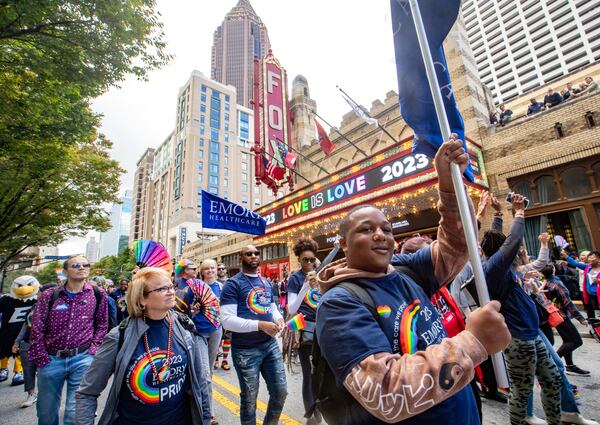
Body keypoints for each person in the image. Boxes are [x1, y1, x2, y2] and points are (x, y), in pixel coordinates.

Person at [315, 136, 511, 424]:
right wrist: (472, 342)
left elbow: (456, 244)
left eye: (387, 229)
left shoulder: (405, 269)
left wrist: (448, 184)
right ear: (344, 244)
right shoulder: (338, 304)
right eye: (366, 230)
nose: (381, 235)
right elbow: (385, 392)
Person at [75, 267, 211, 425]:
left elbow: (200, 382)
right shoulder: (118, 337)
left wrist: (205, 419)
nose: (171, 292)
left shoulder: (184, 326)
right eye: (162, 289)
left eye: (171, 286)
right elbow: (87, 392)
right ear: (142, 299)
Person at [479, 195, 562, 425]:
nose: (513, 250)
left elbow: (497, 240)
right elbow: (512, 240)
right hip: (518, 340)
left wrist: (496, 214)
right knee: (522, 390)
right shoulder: (493, 267)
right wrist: (518, 212)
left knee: (553, 379)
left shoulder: (501, 263)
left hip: (532, 333)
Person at [29, 255, 108, 425]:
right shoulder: (50, 295)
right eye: (76, 265)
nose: (81, 267)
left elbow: (102, 324)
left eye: (85, 264)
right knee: (46, 412)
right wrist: (41, 357)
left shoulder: (97, 294)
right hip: (51, 360)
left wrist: (93, 351)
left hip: (82, 358)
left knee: (75, 411)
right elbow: (37, 328)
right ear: (65, 271)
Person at [220, 245, 288, 425]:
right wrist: (260, 325)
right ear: (240, 258)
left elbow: (271, 306)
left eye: (256, 253)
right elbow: (226, 320)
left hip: (269, 345)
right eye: (248, 253)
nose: (253, 256)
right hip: (245, 351)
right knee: (249, 400)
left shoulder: (265, 282)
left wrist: (279, 318)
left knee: (280, 392)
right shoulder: (232, 284)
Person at [178, 259, 223, 425]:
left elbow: (226, 309)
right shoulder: (192, 288)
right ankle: (208, 413)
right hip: (198, 333)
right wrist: (193, 311)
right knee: (204, 375)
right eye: (207, 268)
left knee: (208, 373)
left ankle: (203, 404)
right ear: (202, 272)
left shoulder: (222, 287)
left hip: (216, 330)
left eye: (213, 268)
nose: (210, 270)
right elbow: (182, 311)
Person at [287, 238, 323, 425]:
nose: (309, 263)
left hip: (325, 330)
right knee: (309, 374)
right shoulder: (295, 278)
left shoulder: (323, 274)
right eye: (304, 260)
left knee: (325, 373)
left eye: (312, 259)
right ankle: (312, 415)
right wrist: (305, 286)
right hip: (305, 331)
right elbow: (292, 309)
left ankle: (323, 406)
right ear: (299, 260)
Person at [539, 265, 589, 376]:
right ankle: (552, 363)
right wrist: (580, 318)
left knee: (568, 340)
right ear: (553, 270)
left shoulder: (543, 282)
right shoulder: (556, 284)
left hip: (554, 315)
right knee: (576, 341)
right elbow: (568, 302)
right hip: (561, 316)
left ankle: (570, 366)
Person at [562, 250, 600, 319]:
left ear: (598, 259)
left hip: (598, 295)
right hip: (591, 296)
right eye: (589, 258)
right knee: (595, 314)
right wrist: (566, 256)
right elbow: (575, 263)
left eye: (592, 258)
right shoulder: (588, 267)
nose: (590, 259)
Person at [214, 263, 232, 371]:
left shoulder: (230, 283)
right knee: (217, 339)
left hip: (228, 314)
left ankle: (225, 360)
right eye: (219, 269)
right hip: (216, 315)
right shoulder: (214, 284)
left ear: (226, 270)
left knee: (228, 339)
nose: (221, 270)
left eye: (223, 268)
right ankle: (216, 359)